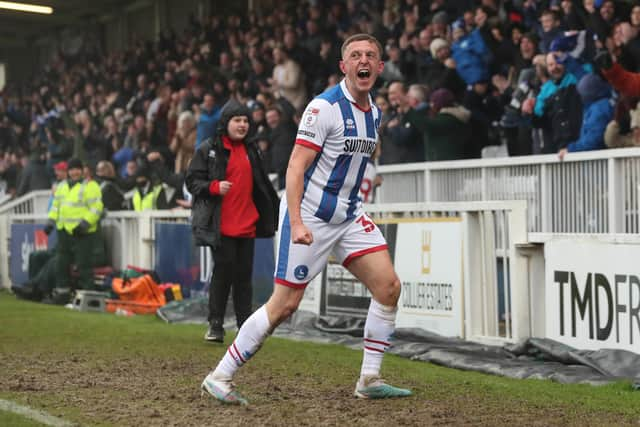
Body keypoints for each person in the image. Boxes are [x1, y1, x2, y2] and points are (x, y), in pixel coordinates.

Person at [200, 34, 412, 405]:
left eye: (371, 56)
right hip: (310, 215)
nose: (363, 61)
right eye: (355, 55)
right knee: (284, 305)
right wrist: (297, 222)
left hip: (347, 216)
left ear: (379, 67)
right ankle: (220, 376)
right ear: (343, 66)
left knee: (389, 287)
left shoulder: (375, 112)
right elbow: (295, 168)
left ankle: (369, 378)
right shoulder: (323, 108)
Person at [186, 103, 279, 344]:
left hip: (247, 225)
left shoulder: (253, 150)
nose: (242, 125)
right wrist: (214, 187)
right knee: (223, 273)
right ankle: (215, 325)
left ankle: (244, 328)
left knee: (243, 277)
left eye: (246, 121)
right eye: (237, 120)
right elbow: (192, 181)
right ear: (226, 123)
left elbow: (261, 185)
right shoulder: (209, 149)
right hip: (221, 225)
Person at [44, 158, 103, 293]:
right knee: (61, 263)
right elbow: (56, 207)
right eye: (71, 169)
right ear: (68, 171)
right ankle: (62, 292)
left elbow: (97, 208)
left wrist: (84, 224)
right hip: (64, 231)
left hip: (83, 233)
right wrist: (50, 223)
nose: (74, 172)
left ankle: (89, 293)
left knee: (84, 265)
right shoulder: (62, 186)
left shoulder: (90, 186)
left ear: (82, 171)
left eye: (77, 169)